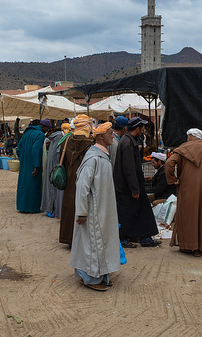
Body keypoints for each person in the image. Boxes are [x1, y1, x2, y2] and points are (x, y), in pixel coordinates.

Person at [70, 122, 120, 291]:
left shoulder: (102, 156)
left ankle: (102, 276)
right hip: (93, 211)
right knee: (93, 244)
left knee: (101, 242)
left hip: (103, 210)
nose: (113, 136)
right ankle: (91, 278)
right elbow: (82, 186)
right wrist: (82, 211)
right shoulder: (92, 159)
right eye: (110, 133)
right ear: (100, 136)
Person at [165, 128, 202, 256]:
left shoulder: (182, 150)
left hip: (186, 191)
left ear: (191, 137)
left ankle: (186, 246)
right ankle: (200, 248)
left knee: (188, 217)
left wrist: (173, 180)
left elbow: (169, 163)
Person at [113, 117, 160, 248]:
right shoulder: (127, 143)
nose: (143, 131)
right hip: (128, 187)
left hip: (133, 184)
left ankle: (145, 238)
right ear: (137, 128)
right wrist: (134, 188)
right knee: (127, 214)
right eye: (142, 128)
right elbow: (128, 169)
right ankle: (123, 239)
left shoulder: (129, 140)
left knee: (142, 211)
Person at [59, 115, 94, 246]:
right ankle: (82, 241)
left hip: (69, 179)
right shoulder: (90, 143)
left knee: (70, 207)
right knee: (84, 207)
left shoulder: (66, 141)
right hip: (85, 180)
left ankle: (68, 238)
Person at [16, 119, 50, 213]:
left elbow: (18, 149)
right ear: (43, 126)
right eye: (47, 128)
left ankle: (22, 206)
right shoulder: (40, 134)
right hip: (33, 164)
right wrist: (36, 166)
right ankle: (33, 207)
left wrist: (23, 159)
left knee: (23, 185)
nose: (47, 131)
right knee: (34, 185)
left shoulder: (26, 133)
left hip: (24, 163)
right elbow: (36, 150)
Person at [41, 124, 64, 217]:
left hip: (52, 166)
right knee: (53, 187)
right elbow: (57, 154)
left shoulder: (56, 137)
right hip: (55, 166)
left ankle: (50, 208)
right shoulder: (60, 137)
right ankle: (52, 208)